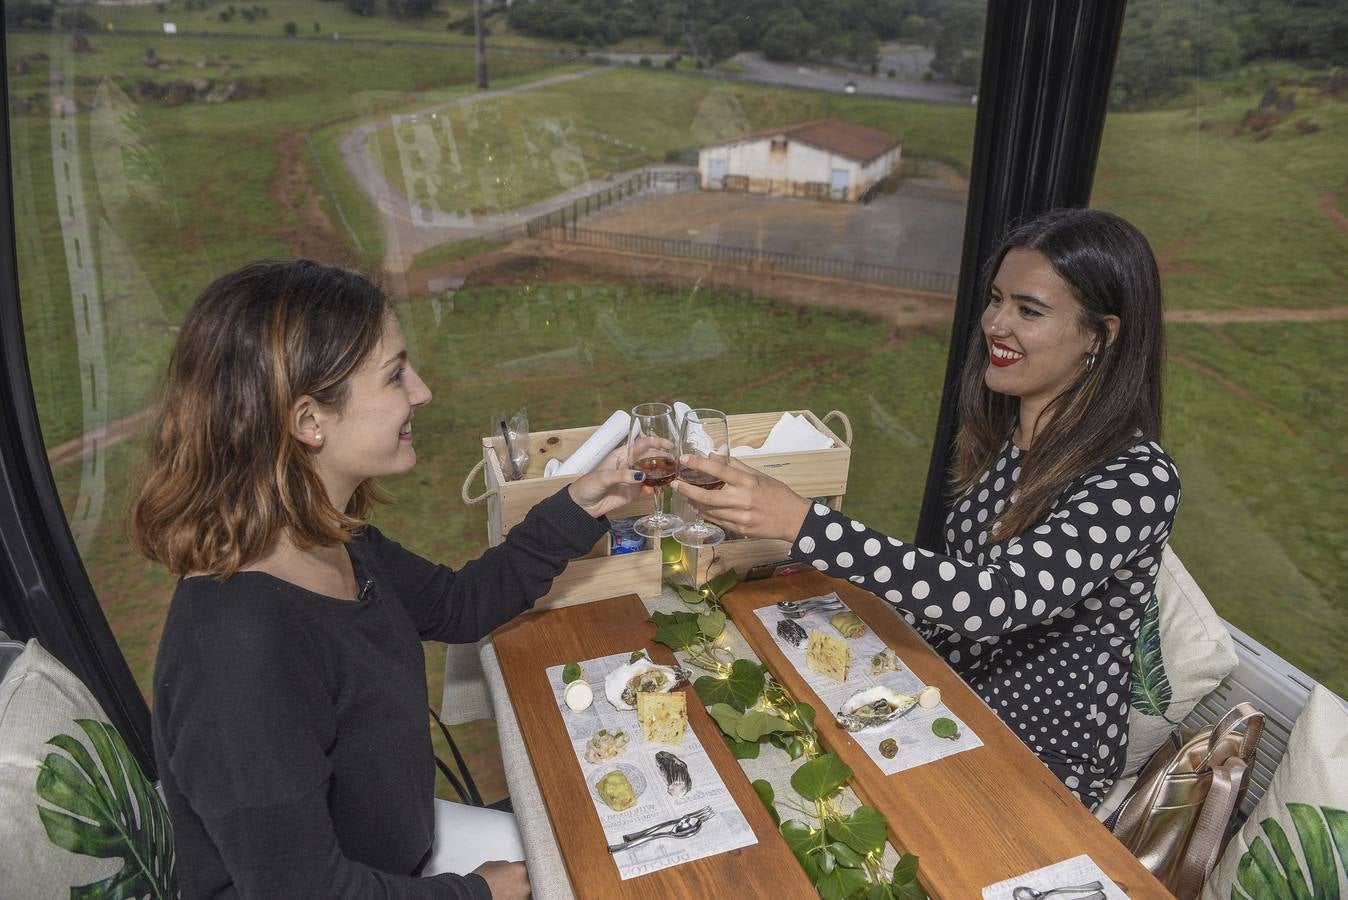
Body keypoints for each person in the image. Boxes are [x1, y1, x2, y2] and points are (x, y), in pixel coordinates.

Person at [131, 260, 645, 898]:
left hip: (400, 859)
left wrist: (581, 502)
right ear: (308, 420)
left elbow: (459, 605)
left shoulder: (331, 538)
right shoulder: (238, 656)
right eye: (395, 374)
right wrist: (477, 893)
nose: (422, 392)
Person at [675, 208, 1178, 809]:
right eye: (995, 299)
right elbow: (950, 578)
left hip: (1034, 752)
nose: (995, 322)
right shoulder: (1003, 433)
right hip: (940, 693)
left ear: (1102, 334)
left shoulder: (1140, 479)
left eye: (1029, 310)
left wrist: (800, 523)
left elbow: (993, 600)